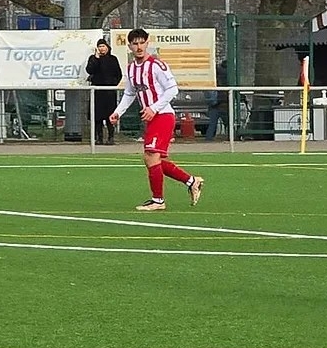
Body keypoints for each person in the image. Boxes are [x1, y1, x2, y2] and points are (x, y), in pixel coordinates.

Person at [109, 28, 204, 211]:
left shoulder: (156, 65)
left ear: (147, 43)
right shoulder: (131, 68)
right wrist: (118, 112)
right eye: (135, 43)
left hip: (163, 115)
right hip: (152, 118)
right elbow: (129, 93)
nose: (138, 47)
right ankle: (192, 182)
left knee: (151, 156)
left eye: (141, 43)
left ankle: (158, 201)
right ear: (129, 46)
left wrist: (153, 108)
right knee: (152, 158)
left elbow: (172, 89)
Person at [85, 39, 123, 145]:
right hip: (97, 92)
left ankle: (111, 137)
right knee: (97, 116)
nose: (101, 48)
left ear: (107, 47)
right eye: (99, 46)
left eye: (103, 46)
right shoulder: (93, 58)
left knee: (110, 115)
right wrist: (96, 59)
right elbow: (89, 70)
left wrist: (113, 84)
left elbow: (118, 74)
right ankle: (99, 138)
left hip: (109, 92)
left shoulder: (113, 59)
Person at [204, 60, 230, 142]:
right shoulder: (228, 76)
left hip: (214, 103)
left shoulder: (213, 76)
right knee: (228, 122)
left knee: (212, 123)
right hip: (223, 102)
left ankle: (209, 139)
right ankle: (231, 137)